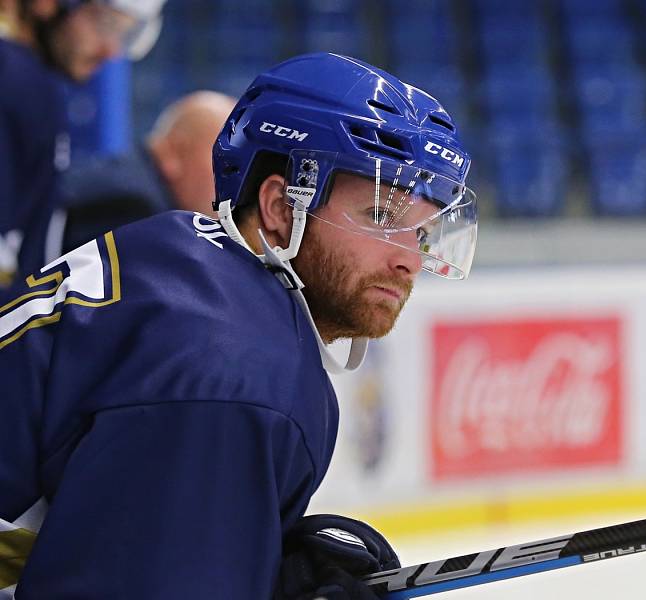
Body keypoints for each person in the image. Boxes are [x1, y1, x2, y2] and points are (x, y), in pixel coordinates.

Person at [0, 52, 478, 598]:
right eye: (380, 217)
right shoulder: (236, 372)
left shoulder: (182, 253)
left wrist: (244, 559)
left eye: (421, 233)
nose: (410, 259)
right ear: (279, 206)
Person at [0, 0, 165, 296]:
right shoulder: (18, 79)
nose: (111, 51)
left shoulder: (29, 80)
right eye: (105, 24)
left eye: (126, 35)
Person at [59, 90, 236, 253]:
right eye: (229, 165)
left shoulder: (130, 178)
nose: (237, 183)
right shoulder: (138, 209)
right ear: (177, 151)